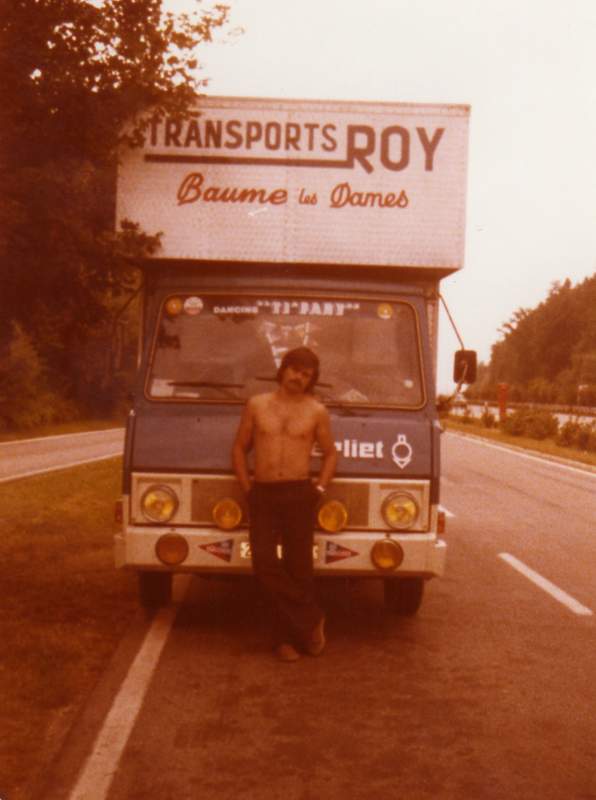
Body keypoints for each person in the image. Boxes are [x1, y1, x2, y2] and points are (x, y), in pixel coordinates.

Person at [232, 346, 337, 662]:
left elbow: (331, 453)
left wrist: (319, 488)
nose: (298, 377)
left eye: (306, 374)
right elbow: (239, 449)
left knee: (299, 569)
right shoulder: (257, 405)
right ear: (283, 369)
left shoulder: (316, 411)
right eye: (295, 369)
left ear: (311, 381)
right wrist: (248, 488)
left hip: (298, 494)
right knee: (263, 564)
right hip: (262, 493)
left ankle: (287, 641)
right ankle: (311, 618)